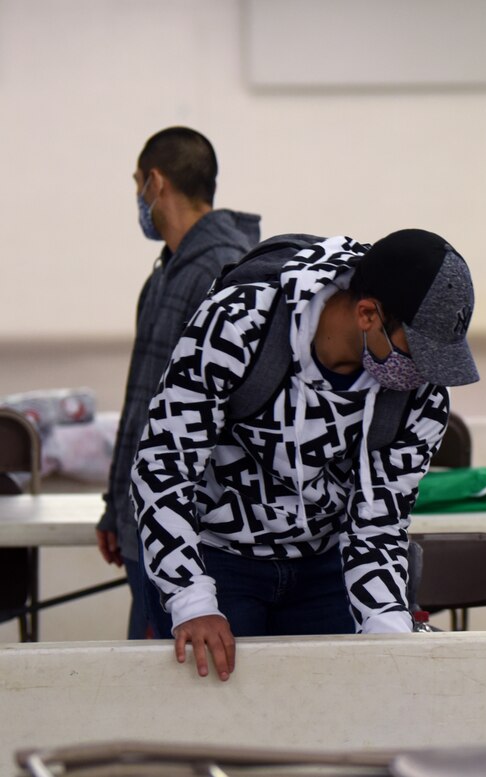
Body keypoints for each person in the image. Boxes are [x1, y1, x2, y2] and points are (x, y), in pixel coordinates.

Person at [131, 228, 478, 680]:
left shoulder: (421, 395)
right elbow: (163, 469)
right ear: (368, 314)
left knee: (344, 720)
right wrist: (192, 601)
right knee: (224, 726)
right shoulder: (238, 326)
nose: (427, 376)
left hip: (327, 568)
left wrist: (390, 635)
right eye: (420, 355)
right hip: (218, 558)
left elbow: (380, 522)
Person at [96, 127, 261, 640]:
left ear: (155, 183)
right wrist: (115, 504)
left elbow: (219, 419)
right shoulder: (167, 272)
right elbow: (144, 401)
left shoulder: (222, 271)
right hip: (145, 520)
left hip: (187, 533)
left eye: (137, 184)